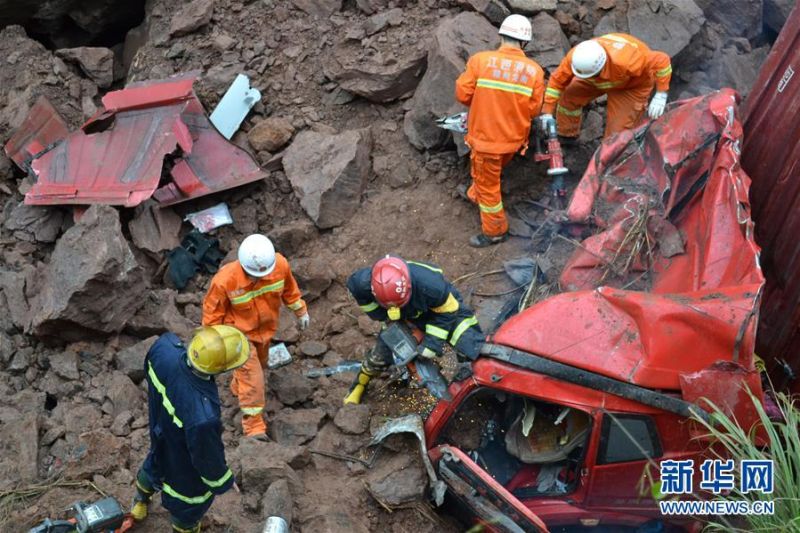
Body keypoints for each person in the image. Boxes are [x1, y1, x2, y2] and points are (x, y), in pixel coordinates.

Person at [130, 326, 247, 533]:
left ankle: (140, 502)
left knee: (154, 463)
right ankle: (185, 527)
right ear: (221, 369)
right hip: (182, 456)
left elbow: (149, 368)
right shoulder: (203, 415)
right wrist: (223, 481)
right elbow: (206, 457)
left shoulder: (164, 347)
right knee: (188, 499)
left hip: (160, 430)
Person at [202, 234, 309, 438]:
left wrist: (301, 311)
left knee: (260, 365)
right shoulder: (225, 281)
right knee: (253, 379)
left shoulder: (279, 266)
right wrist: (215, 344)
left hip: (265, 331)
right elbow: (212, 316)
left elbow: (290, 291)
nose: (257, 278)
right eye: (252, 275)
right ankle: (254, 427)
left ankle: (238, 387)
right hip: (238, 336)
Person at [455, 14, 546, 248]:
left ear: (502, 35)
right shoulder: (535, 71)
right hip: (514, 140)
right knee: (489, 172)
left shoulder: (480, 61)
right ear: (525, 42)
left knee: (488, 186)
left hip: (486, 141)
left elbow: (463, 95)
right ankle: (478, 192)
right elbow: (534, 109)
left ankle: (495, 231)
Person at [343, 255, 484, 404]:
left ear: (409, 286)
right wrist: (387, 319)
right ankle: (359, 385)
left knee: (467, 339)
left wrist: (430, 344)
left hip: (440, 310)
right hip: (401, 316)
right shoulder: (359, 284)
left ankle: (472, 378)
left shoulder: (430, 285)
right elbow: (369, 306)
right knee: (380, 355)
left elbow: (448, 311)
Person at [541, 33, 672, 140]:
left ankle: (612, 162)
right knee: (569, 95)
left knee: (617, 137)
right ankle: (566, 136)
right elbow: (556, 81)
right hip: (596, 81)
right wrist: (547, 112)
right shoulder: (576, 58)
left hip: (632, 86)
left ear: (602, 67)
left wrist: (661, 94)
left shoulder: (627, 60)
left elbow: (662, 60)